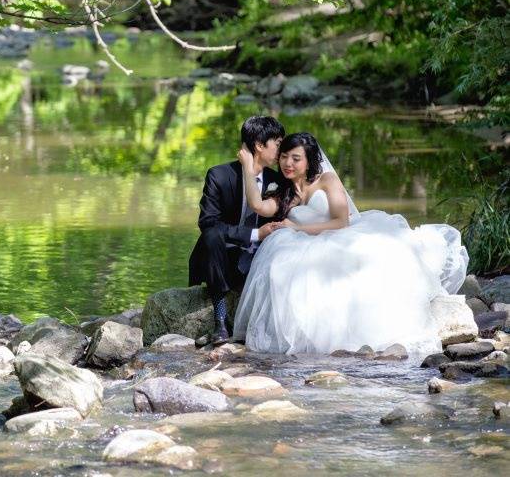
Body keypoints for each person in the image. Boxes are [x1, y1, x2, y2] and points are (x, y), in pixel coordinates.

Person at [233, 132, 468, 358]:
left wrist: (297, 228)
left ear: (308, 160)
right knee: (281, 263)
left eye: (296, 158)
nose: (288, 163)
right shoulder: (285, 194)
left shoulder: (326, 180)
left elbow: (341, 222)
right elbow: (257, 205)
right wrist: (247, 166)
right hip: (302, 247)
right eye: (284, 157)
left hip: (337, 237)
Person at [188, 116, 287, 345]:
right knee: (211, 234)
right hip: (222, 258)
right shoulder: (219, 175)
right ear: (260, 146)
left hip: (258, 259)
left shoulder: (278, 180)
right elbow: (208, 222)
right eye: (278, 143)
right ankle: (220, 320)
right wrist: (255, 234)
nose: (281, 150)